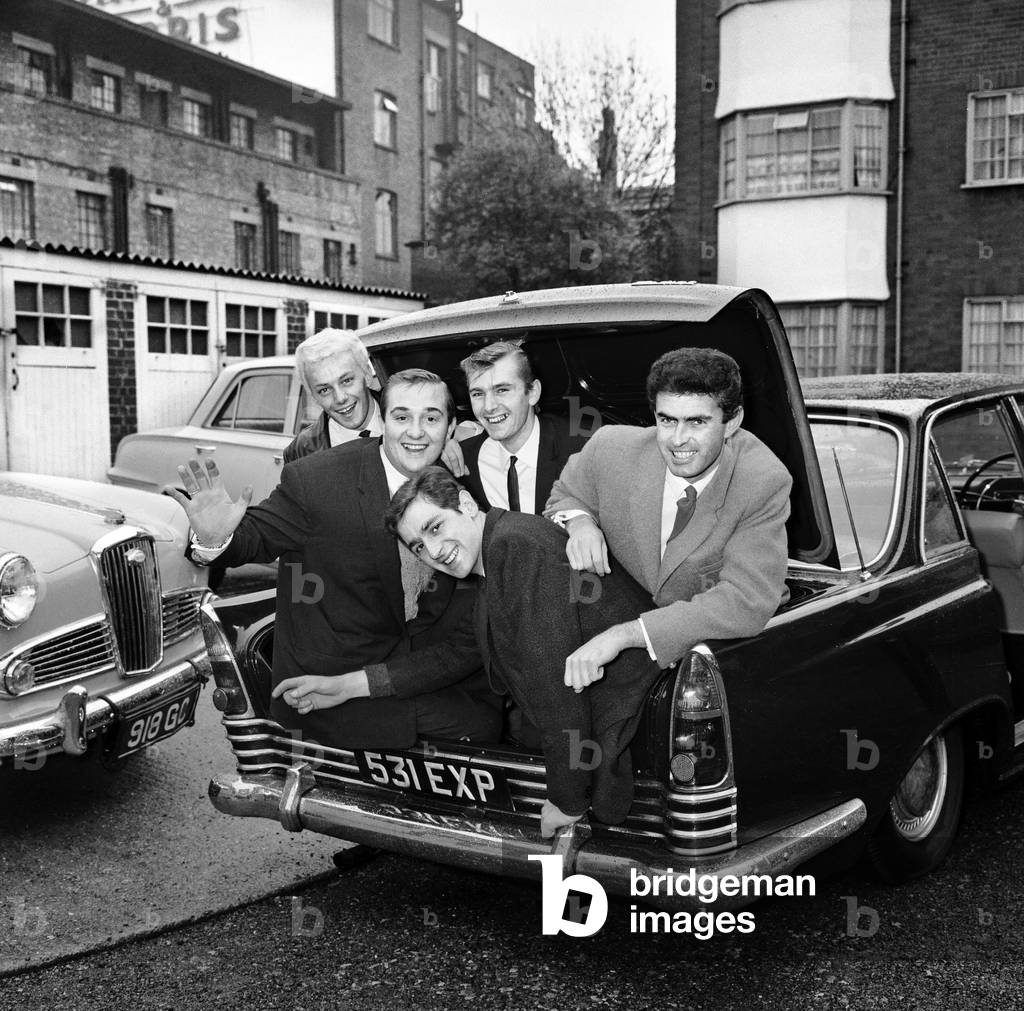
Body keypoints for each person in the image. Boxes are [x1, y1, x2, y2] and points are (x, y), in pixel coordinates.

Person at [171, 369, 501, 750]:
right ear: (383, 420)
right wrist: (217, 537)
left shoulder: (457, 488)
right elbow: (256, 537)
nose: (416, 432)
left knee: (490, 723)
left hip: (413, 673)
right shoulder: (318, 479)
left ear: (451, 427)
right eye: (401, 417)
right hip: (325, 686)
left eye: (431, 418)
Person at [382, 467, 664, 838]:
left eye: (435, 527)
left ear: (466, 505)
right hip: (617, 722)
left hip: (636, 724)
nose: (433, 551)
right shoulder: (500, 549)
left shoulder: (515, 547)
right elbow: (460, 654)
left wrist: (566, 802)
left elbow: (558, 687)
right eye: (418, 545)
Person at [546, 346, 792, 688]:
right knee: (516, 535)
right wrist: (580, 523)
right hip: (609, 630)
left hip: (699, 657)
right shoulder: (610, 448)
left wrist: (625, 635)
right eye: (667, 420)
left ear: (732, 421)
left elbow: (745, 600)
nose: (678, 440)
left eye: (697, 422)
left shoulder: (762, 480)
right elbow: (563, 496)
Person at [457, 340, 587, 513]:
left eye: (502, 390)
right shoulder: (461, 462)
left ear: (533, 393)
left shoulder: (580, 451)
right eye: (478, 394)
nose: (489, 406)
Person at [284, 329, 382, 463]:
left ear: (367, 375)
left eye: (346, 381)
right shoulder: (301, 452)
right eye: (324, 390)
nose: (340, 398)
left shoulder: (414, 421)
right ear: (313, 397)